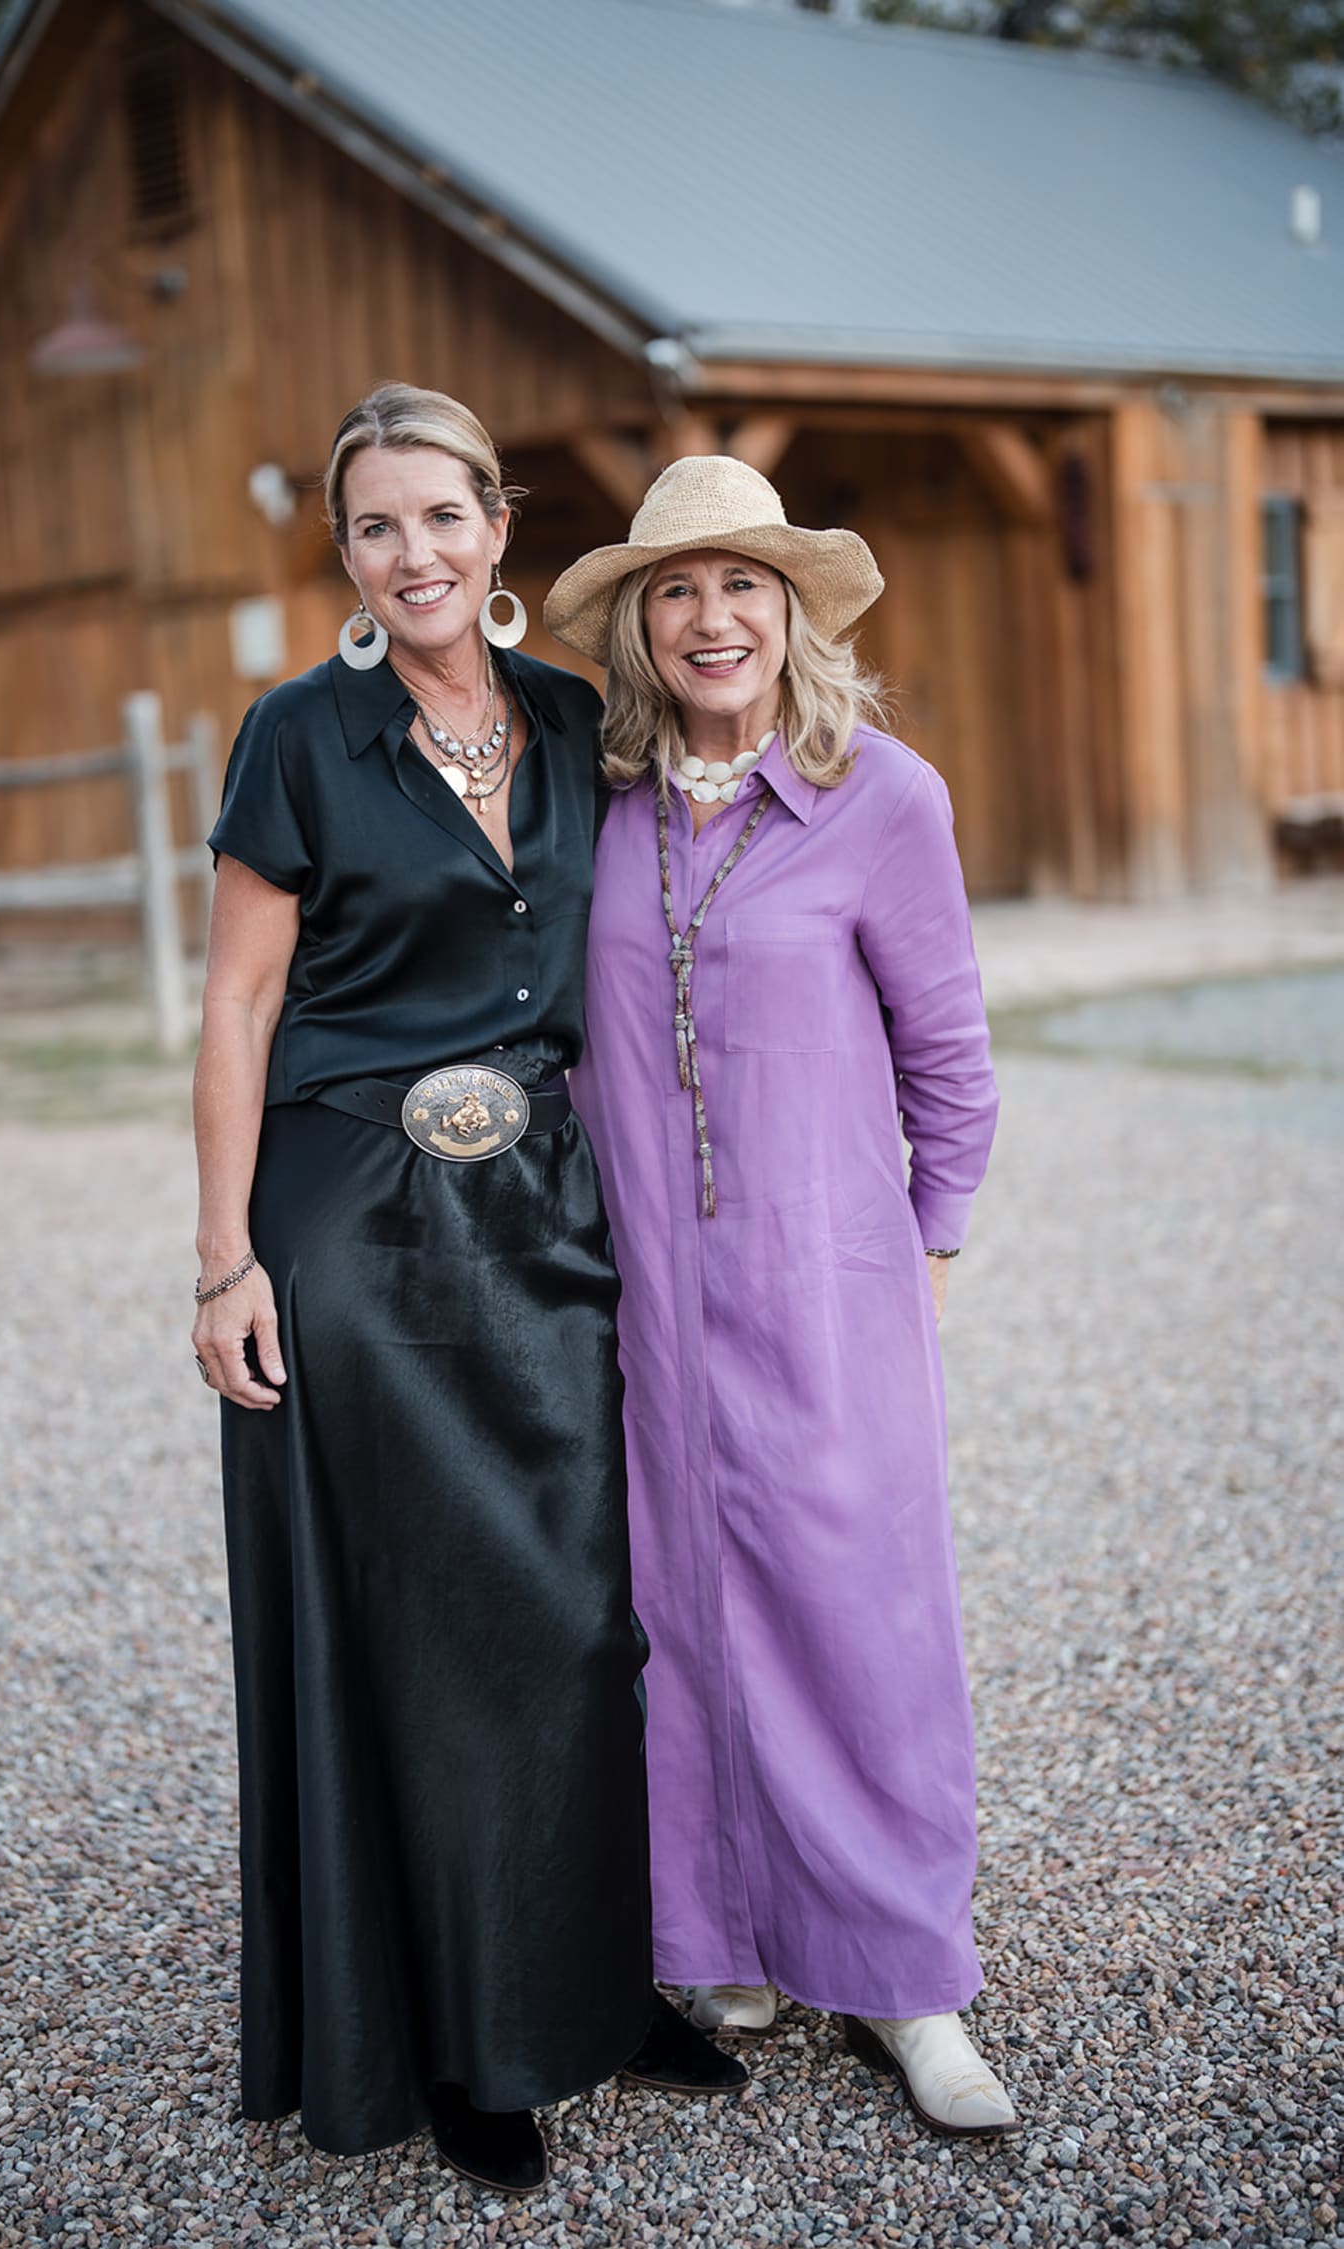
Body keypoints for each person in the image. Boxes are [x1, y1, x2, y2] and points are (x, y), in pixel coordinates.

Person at [190, 386, 743, 2196]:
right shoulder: (299, 734)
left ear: (500, 526)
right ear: (345, 553)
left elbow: (712, 841)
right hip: (354, 1218)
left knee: (581, 1615)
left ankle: (592, 1983)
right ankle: (460, 2039)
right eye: (377, 526)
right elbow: (237, 1005)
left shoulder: (578, 718)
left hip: (549, 1206)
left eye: (443, 515)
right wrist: (224, 1256)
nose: (413, 553)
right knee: (422, 1633)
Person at [546, 455, 1016, 2138]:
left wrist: (927, 1254)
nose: (710, 615)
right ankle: (730, 1933)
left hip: (831, 1284)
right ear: (639, 625)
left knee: (860, 1612)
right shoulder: (598, 811)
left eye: (742, 582)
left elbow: (951, 1059)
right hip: (644, 1300)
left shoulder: (884, 797)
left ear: (793, 609)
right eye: (676, 588)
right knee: (679, 1608)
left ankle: (909, 1978)